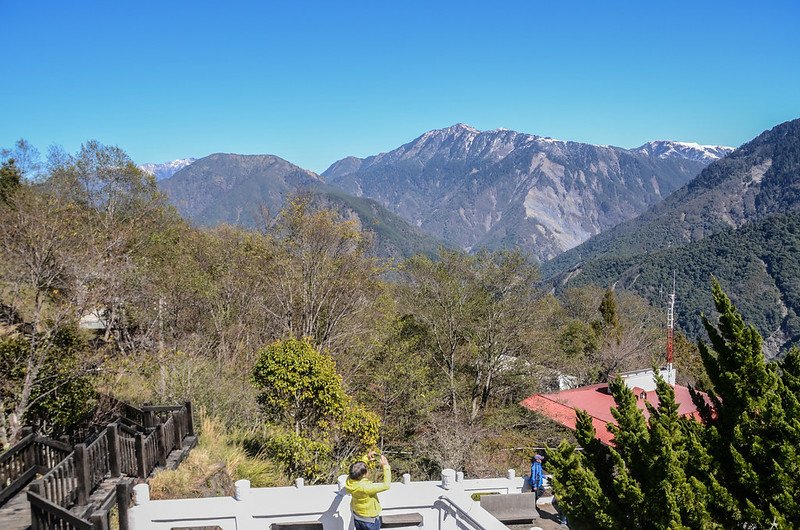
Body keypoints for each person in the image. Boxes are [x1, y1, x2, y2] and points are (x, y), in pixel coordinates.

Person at [346, 450, 391, 530]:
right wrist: (386, 466)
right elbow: (386, 485)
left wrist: (366, 457)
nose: (369, 471)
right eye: (367, 470)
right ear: (363, 475)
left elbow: (357, 468)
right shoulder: (366, 488)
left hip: (357, 516)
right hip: (370, 521)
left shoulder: (349, 480)